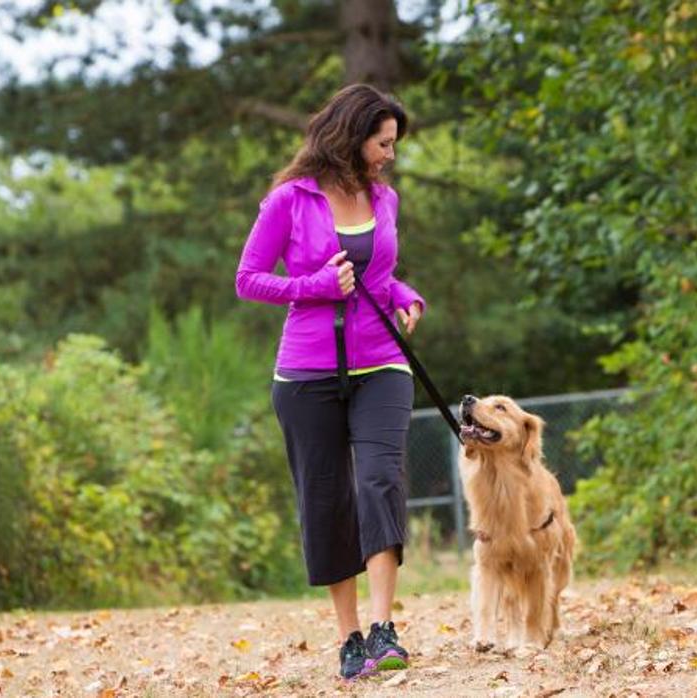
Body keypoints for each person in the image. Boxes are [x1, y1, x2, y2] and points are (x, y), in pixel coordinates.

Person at [234, 83, 424, 681]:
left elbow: (381, 275)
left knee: (379, 481)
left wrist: (408, 296)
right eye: (383, 141)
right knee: (327, 500)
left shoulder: (384, 199)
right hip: (307, 372)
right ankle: (348, 638)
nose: (390, 153)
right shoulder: (289, 201)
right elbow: (248, 279)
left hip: (381, 364)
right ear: (353, 135)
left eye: (393, 143)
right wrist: (310, 286)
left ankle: (384, 627)